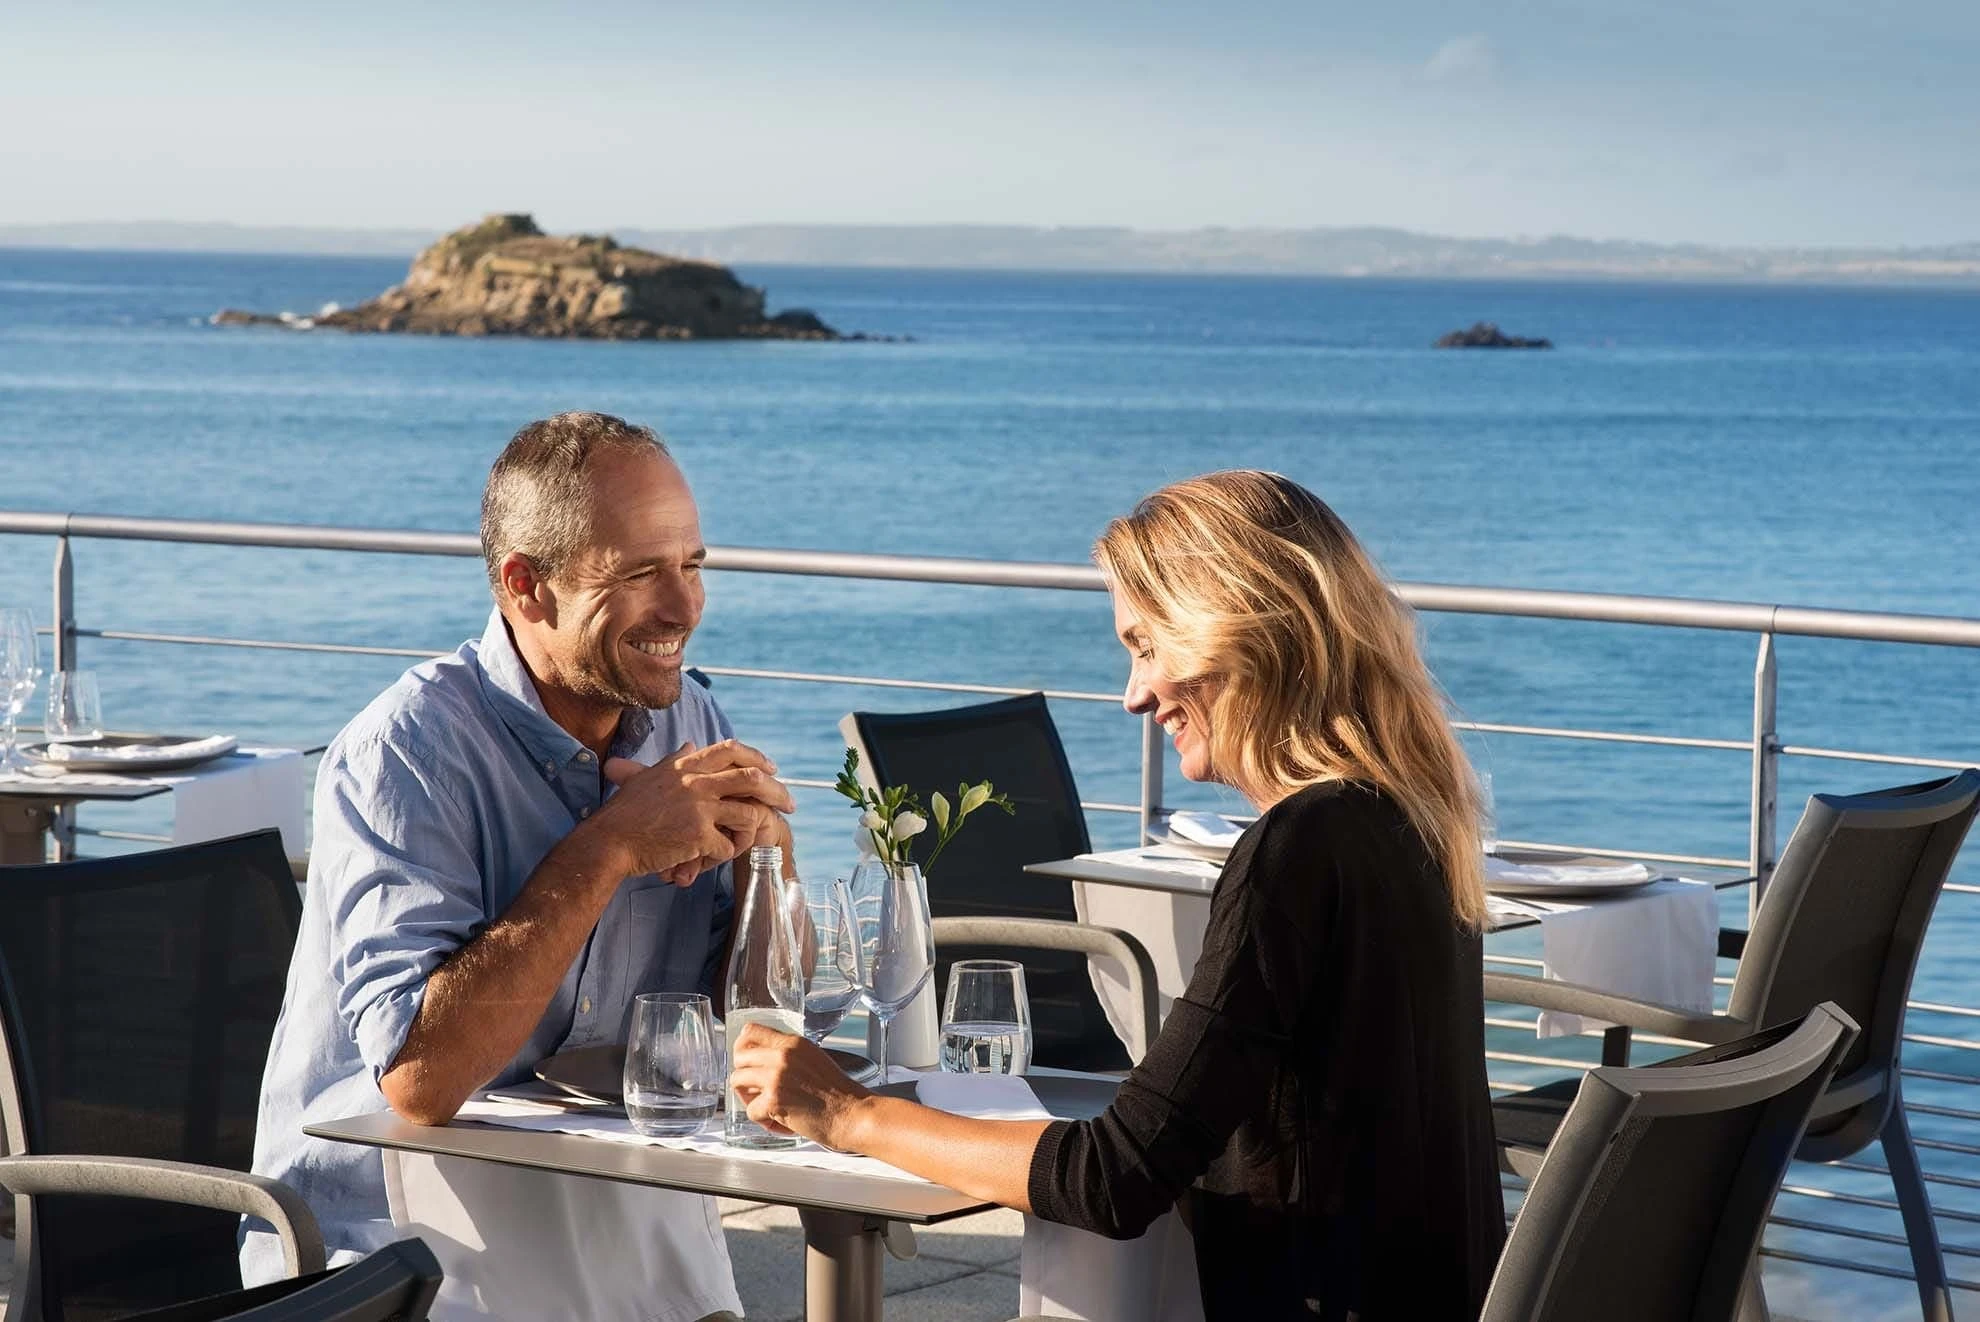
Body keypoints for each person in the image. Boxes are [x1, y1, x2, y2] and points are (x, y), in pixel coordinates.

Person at [732, 470, 1507, 1320]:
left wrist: (843, 1111)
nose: (1134, 695)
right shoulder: (1413, 818)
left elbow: (1115, 1178)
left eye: (1147, 646)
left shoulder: (1300, 849)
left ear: (1238, 631)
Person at [244, 412, 792, 1322]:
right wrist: (610, 846)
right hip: (403, 1258)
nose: (686, 607)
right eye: (640, 572)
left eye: (693, 564)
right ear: (525, 586)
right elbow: (422, 1084)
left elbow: (753, 1037)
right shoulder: (405, 752)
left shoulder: (690, 720)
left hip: (619, 1224)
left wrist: (771, 871)